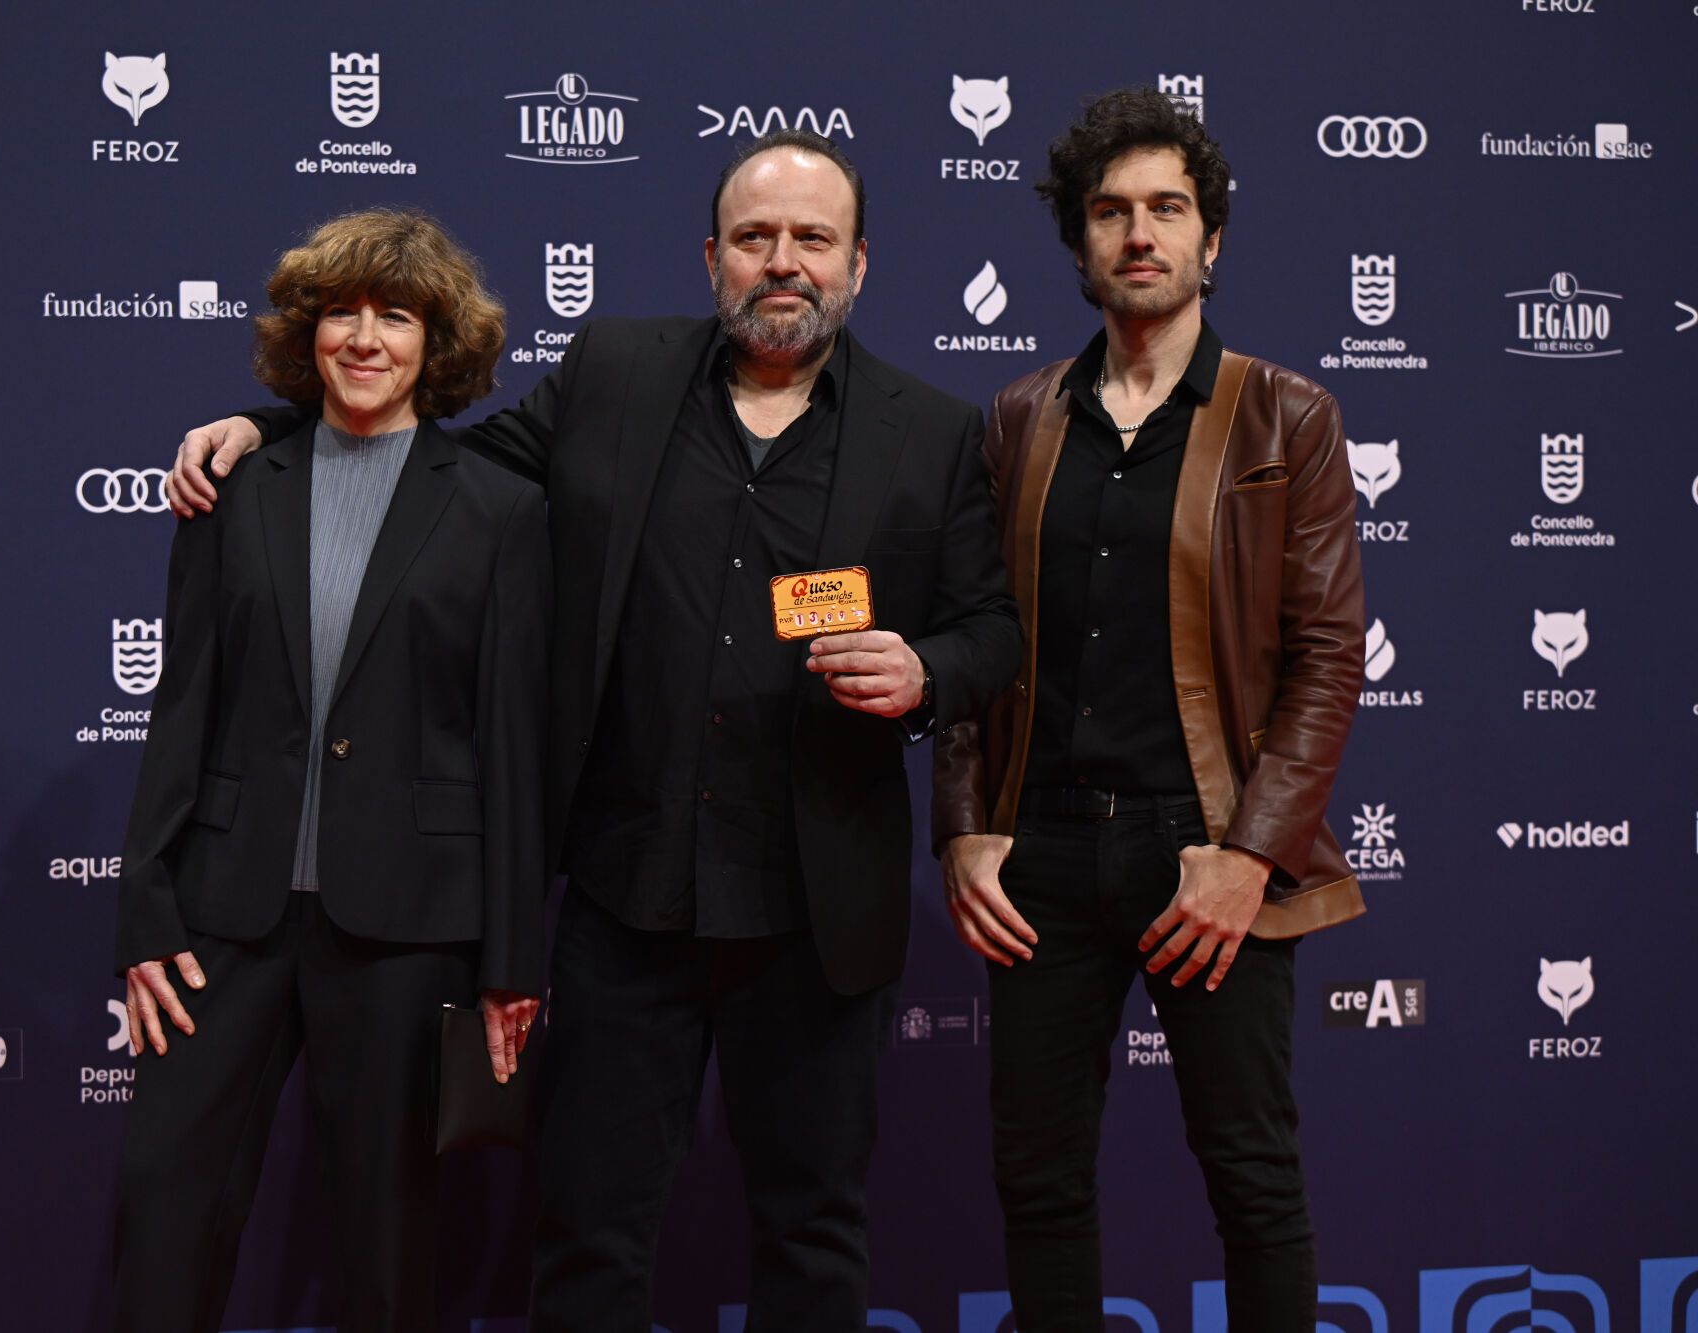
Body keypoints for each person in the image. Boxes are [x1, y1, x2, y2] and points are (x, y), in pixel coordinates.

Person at [167, 131, 1022, 1331]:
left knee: (814, 1235)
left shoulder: (930, 432)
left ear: (858, 264)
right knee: (588, 1237)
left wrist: (924, 670)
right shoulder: (614, 372)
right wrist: (275, 433)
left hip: (816, 914)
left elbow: (992, 630)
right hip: (627, 908)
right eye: (754, 237)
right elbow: (437, 472)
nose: (782, 262)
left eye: (811, 240)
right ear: (710, 256)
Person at [932, 88, 1366, 1329]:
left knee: (1251, 1180)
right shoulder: (1018, 418)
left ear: (1208, 238)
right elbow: (974, 640)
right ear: (1076, 241)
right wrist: (961, 823)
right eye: (1109, 211)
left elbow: (1328, 657)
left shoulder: (1288, 415)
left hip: (1207, 845)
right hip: (1044, 851)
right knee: (1039, 1183)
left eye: (1165, 209)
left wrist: (1246, 855)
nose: (1138, 233)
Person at [114, 208, 549, 1333]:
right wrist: (146, 910)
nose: (364, 338)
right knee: (166, 1208)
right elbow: (182, 708)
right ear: (305, 332)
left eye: (394, 316)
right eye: (340, 313)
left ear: (435, 343)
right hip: (221, 919)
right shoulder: (231, 484)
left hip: (408, 925)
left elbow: (510, 739)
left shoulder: (500, 508)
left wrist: (509, 958)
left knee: (388, 1235)